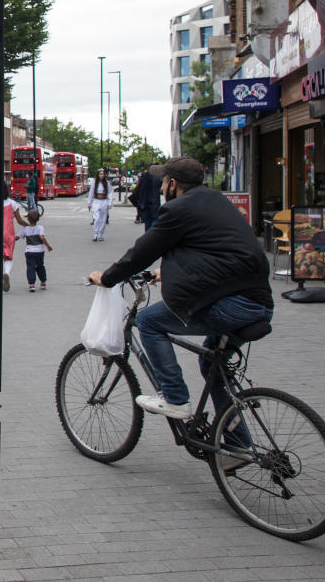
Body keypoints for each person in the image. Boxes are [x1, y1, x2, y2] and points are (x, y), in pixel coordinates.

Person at [86, 157, 272, 456]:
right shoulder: (216, 200)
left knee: (148, 321)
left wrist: (107, 278)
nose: (161, 187)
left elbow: (142, 252)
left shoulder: (178, 209)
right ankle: (239, 448)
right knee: (212, 364)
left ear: (173, 184)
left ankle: (174, 398)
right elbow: (214, 249)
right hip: (258, 302)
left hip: (229, 305)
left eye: (164, 182)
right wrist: (168, 272)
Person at [1, 181, 29, 293]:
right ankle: (6, 273)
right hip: (8, 233)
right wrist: (29, 225)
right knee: (8, 257)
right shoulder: (12, 203)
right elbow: (19, 221)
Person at [16, 209, 53, 292]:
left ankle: (32, 284)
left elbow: (17, 237)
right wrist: (48, 246)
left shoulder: (25, 229)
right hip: (40, 251)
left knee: (30, 267)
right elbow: (42, 237)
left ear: (28, 219)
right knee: (40, 266)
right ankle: (43, 282)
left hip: (29, 251)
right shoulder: (40, 228)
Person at [131, 165, 163, 232]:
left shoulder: (144, 176)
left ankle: (148, 235)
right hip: (155, 202)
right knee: (154, 220)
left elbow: (139, 187)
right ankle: (151, 235)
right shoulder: (158, 178)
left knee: (147, 221)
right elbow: (161, 189)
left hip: (144, 202)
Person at [87, 168, 112, 241]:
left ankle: (100, 234)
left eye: (103, 174)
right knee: (97, 218)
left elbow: (109, 193)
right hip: (96, 201)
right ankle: (95, 234)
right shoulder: (94, 183)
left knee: (103, 220)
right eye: (100, 174)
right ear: (98, 175)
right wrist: (89, 203)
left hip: (104, 201)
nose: (102, 175)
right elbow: (91, 193)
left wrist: (109, 203)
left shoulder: (106, 183)